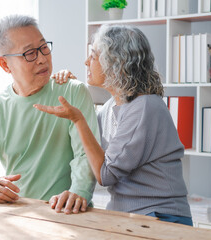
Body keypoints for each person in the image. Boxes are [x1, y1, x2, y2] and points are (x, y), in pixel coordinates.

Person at [34, 24, 193, 225]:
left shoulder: (145, 107)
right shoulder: (110, 107)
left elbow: (105, 174)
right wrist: (70, 89)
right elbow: (89, 152)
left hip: (161, 217)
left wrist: (78, 119)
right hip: (126, 216)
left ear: (115, 62)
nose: (86, 62)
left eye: (93, 56)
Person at [0, 15, 99, 214]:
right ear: (5, 65)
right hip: (18, 215)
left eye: (44, 47)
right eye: (29, 53)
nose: (42, 59)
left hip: (67, 212)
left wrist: (78, 192)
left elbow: (85, 154)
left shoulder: (73, 92)